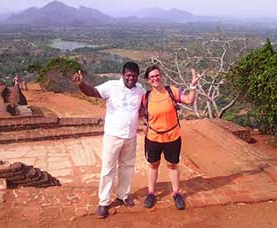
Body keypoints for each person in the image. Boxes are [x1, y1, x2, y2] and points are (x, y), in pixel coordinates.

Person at [72, 62, 145, 219]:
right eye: (128, 75)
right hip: (113, 135)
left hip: (131, 136)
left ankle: (123, 195)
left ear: (137, 76)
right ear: (123, 75)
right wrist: (81, 84)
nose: (131, 78)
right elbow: (93, 92)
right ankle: (104, 202)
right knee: (108, 169)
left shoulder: (140, 90)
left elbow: (143, 108)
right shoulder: (112, 86)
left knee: (127, 167)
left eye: (133, 76)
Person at [142, 65, 201, 210]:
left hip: (172, 136)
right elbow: (143, 114)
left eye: (157, 75)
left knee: (172, 165)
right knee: (153, 164)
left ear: (161, 76)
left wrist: (192, 86)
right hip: (153, 137)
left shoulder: (171, 91)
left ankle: (176, 193)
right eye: (151, 77)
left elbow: (189, 100)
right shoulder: (146, 96)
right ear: (148, 80)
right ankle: (151, 193)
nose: (155, 78)